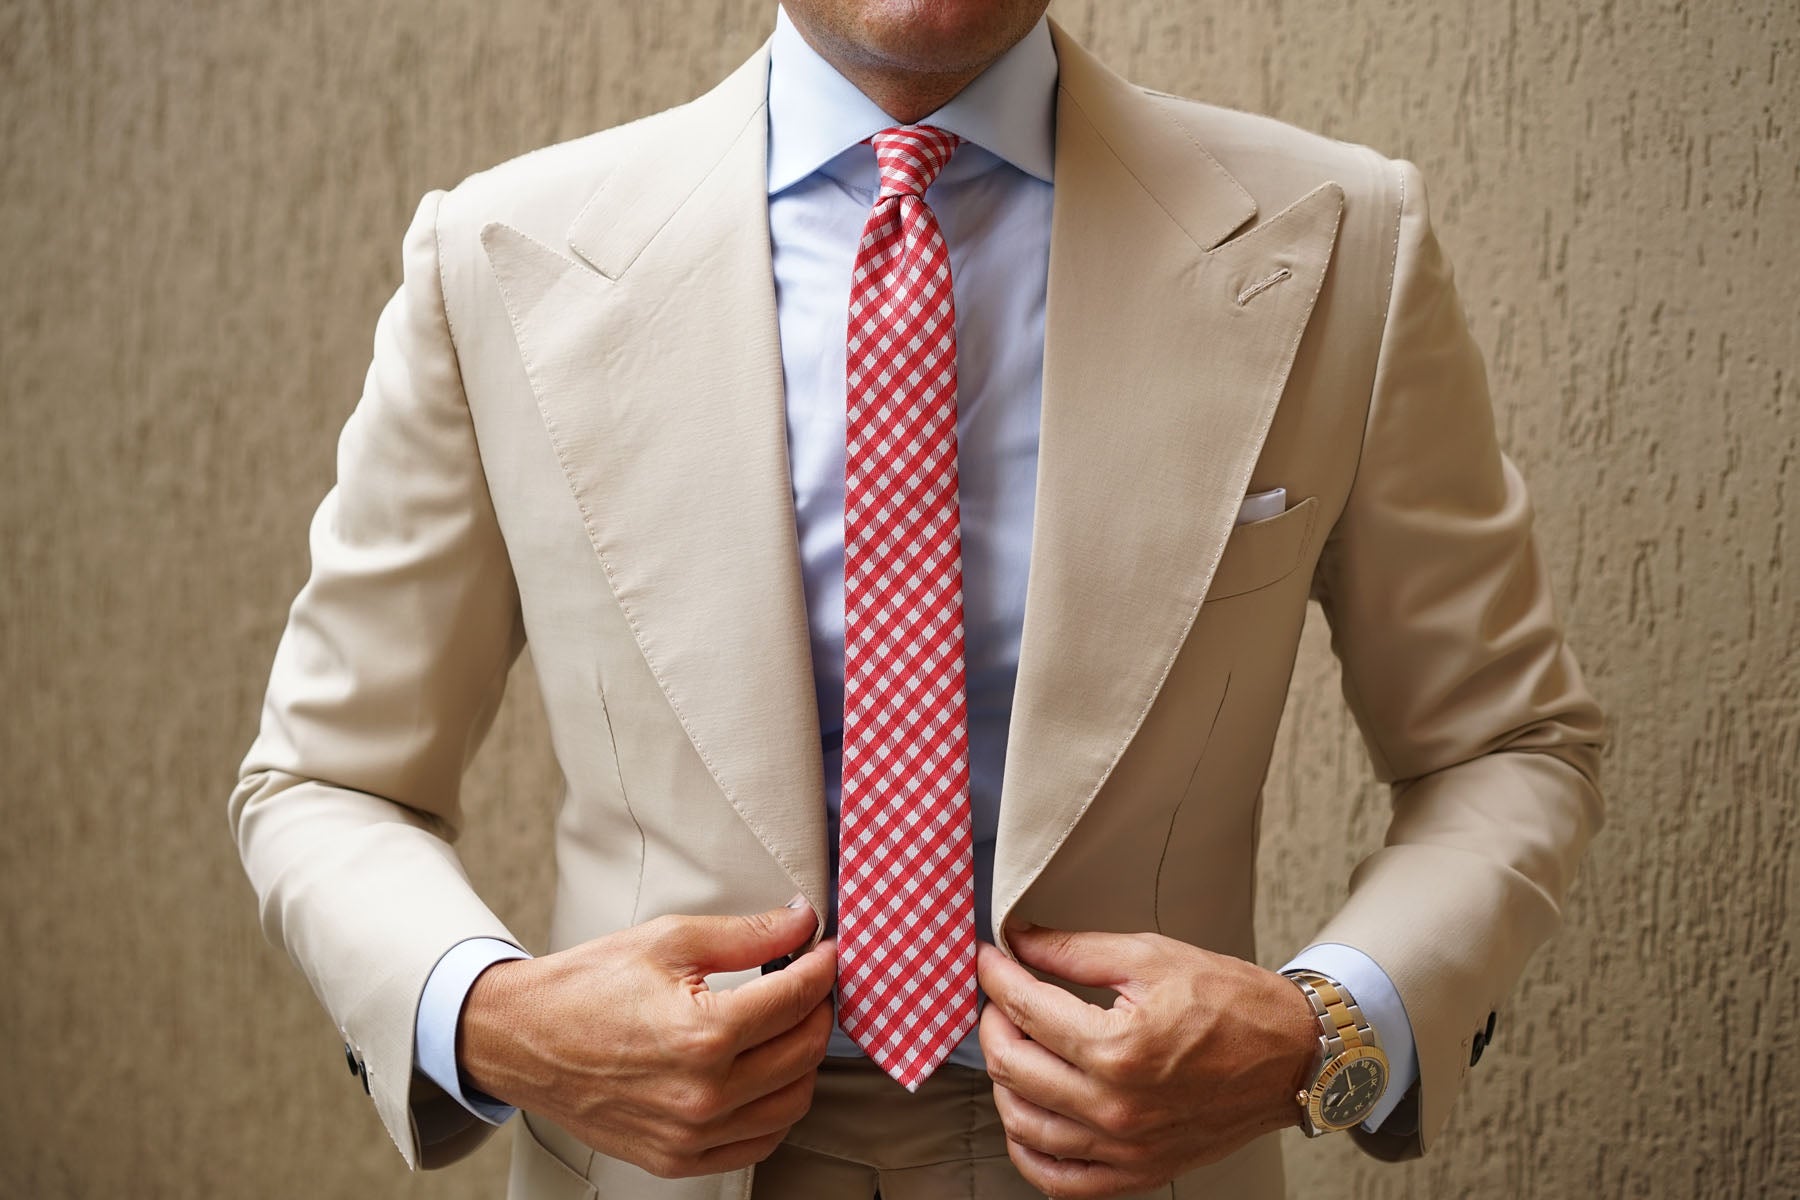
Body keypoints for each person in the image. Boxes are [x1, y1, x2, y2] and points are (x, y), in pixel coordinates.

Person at [229, 1, 1605, 1197]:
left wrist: (1325, 1036)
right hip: (656, 1177)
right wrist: (499, 1021)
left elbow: (1504, 747)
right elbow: (328, 778)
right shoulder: (498, 256)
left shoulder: (1344, 240)